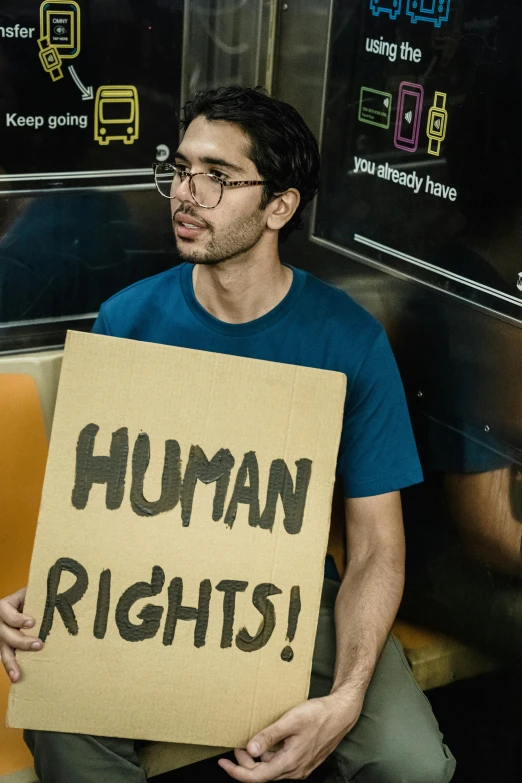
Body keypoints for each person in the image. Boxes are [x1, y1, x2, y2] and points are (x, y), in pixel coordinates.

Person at [0, 86, 455, 783]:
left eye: (218, 177)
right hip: (146, 592)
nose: (186, 194)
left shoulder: (349, 340)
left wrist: (347, 696)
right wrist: (52, 588)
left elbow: (375, 547)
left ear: (280, 206)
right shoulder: (128, 319)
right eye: (181, 170)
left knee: (412, 760)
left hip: (291, 599)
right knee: (62, 731)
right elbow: (95, 516)